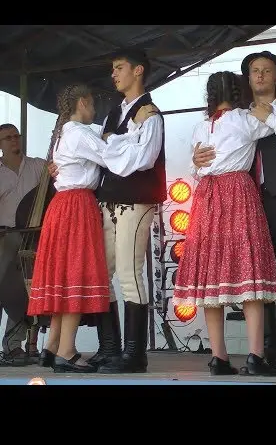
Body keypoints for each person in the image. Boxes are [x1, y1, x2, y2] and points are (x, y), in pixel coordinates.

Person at [193, 51, 276, 374]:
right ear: (247, 79)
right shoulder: (239, 118)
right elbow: (210, 157)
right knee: (255, 275)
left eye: (266, 70)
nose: (260, 75)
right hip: (245, 203)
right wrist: (198, 161)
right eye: (254, 70)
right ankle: (266, 351)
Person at [48, 48, 165, 374]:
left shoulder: (150, 114)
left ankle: (134, 354)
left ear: (138, 70)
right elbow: (90, 152)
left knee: (129, 273)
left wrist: (112, 143)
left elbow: (143, 159)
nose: (113, 74)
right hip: (109, 203)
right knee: (102, 276)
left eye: (119, 67)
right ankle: (110, 347)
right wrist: (64, 167)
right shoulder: (115, 114)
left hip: (135, 200)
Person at [28, 83, 150, 372]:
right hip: (76, 206)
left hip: (61, 205)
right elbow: (112, 157)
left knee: (64, 275)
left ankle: (52, 346)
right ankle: (67, 352)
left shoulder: (62, 136)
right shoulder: (80, 133)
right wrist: (134, 138)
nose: (94, 110)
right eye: (92, 104)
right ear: (82, 102)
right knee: (75, 275)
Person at [173, 71, 276, 376]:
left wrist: (197, 163)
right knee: (249, 274)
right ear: (238, 91)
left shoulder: (200, 127)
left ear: (209, 95)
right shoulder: (243, 119)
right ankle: (255, 356)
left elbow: (196, 167)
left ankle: (218, 357)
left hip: (207, 198)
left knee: (212, 280)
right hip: (237, 191)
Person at [0, 123, 46, 366]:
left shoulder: (38, 166)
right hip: (3, 235)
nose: (14, 141)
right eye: (8, 138)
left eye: (16, 136)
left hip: (31, 236)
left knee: (22, 294)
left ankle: (13, 346)